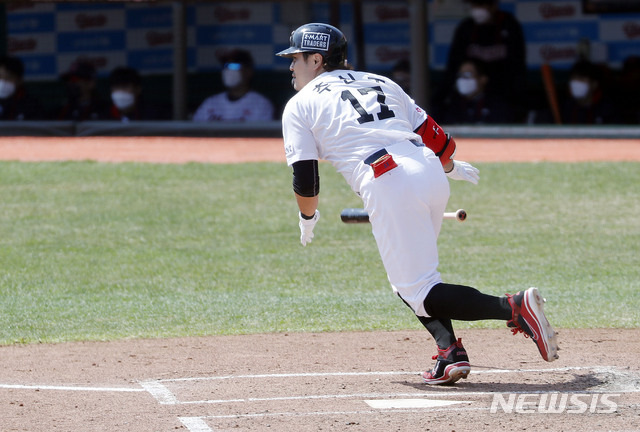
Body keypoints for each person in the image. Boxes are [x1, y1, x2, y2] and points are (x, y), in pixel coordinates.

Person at [276, 23, 558, 385]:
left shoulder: (300, 104)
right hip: (428, 170)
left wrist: (307, 216)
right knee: (414, 281)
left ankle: (514, 307)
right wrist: (451, 168)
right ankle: (449, 353)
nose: (291, 66)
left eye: (296, 58)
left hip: (388, 179)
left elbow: (306, 178)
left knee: (420, 289)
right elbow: (440, 142)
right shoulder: (382, 81)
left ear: (316, 59)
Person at [438, 0, 526, 122]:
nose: (477, 9)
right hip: (471, 89)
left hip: (503, 91)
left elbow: (517, 65)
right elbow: (454, 63)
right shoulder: (466, 27)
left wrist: (516, 96)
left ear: (493, 6)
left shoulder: (509, 25)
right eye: (474, 5)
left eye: (481, 4)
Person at [192, 49, 274, 122]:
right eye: (226, 66)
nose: (228, 70)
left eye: (234, 66)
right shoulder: (211, 102)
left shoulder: (261, 104)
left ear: (248, 71)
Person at [435, 58, 513, 124]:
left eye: (468, 75)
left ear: (483, 79)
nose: (463, 79)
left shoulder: (498, 105)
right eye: (460, 75)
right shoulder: (451, 105)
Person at [560, 60, 616, 125]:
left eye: (581, 78)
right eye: (574, 78)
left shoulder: (607, 109)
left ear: (594, 84)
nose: (576, 82)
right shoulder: (564, 108)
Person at [0, 55, 45, 120]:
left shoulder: (31, 106)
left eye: (9, 77)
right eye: (0, 77)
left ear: (19, 80)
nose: (3, 82)